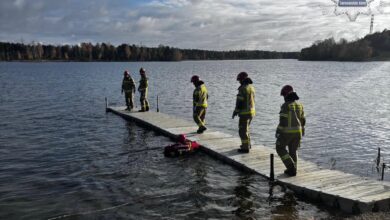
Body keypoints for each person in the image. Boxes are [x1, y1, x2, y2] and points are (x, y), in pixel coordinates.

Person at [275, 85, 306, 176]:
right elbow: (303, 120)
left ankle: (290, 166)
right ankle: (294, 169)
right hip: (298, 132)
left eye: (283, 96)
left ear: (286, 96)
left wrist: (278, 131)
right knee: (293, 150)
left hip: (287, 133)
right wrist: (302, 130)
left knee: (280, 148)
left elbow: (283, 121)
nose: (283, 98)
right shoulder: (299, 105)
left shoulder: (286, 106)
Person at [232, 72, 255, 153]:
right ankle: (248, 144)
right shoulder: (251, 87)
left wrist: (235, 111)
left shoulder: (242, 88)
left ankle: (245, 148)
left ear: (242, 80)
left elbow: (240, 102)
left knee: (242, 131)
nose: (239, 82)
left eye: (239, 80)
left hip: (244, 113)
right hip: (251, 112)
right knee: (246, 129)